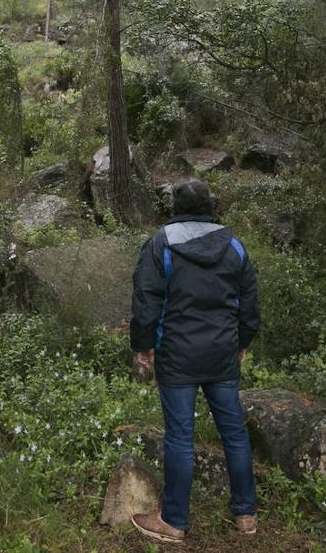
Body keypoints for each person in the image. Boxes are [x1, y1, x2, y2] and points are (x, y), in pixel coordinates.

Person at [128, 177, 260, 544]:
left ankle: (173, 521)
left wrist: (142, 345)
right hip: (222, 354)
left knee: (180, 437)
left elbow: (146, 299)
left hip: (177, 355)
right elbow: (248, 302)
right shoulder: (234, 246)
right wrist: (243, 340)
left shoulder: (161, 244)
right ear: (210, 206)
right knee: (234, 433)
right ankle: (246, 515)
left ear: (175, 207)